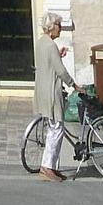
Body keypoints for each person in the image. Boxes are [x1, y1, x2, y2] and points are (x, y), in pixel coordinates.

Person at [34, 11, 79, 182]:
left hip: (42, 90)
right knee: (56, 129)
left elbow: (47, 62)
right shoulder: (50, 45)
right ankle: (47, 167)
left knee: (53, 128)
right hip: (51, 91)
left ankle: (50, 166)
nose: (60, 28)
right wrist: (74, 85)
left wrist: (57, 56)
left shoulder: (41, 43)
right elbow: (60, 71)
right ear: (52, 28)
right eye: (58, 25)